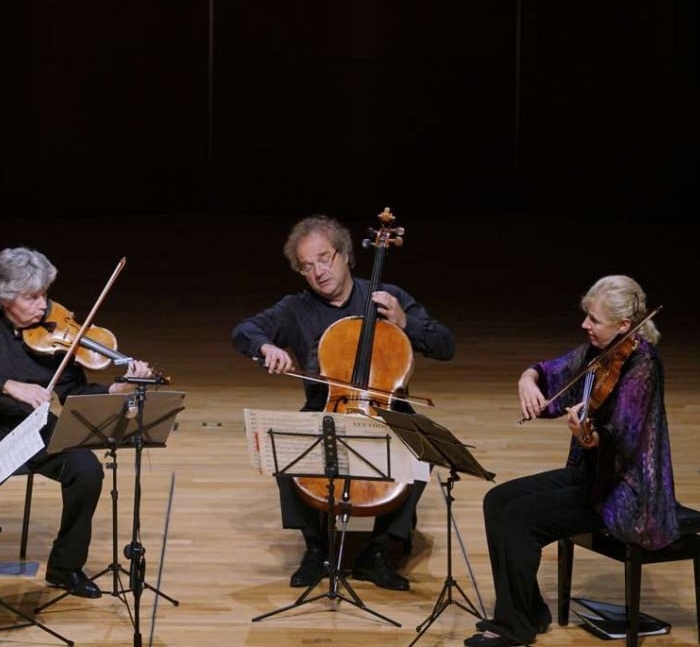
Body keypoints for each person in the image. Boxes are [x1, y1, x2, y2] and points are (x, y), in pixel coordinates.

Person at [231, 214, 455, 591]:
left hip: (384, 409)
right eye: (307, 266)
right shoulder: (296, 308)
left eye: (324, 258)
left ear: (346, 255)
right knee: (284, 444)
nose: (318, 272)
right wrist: (266, 347)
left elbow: (446, 346)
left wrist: (406, 323)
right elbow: (244, 331)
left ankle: (379, 551)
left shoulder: (386, 298)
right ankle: (316, 548)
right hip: (327, 409)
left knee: (422, 447)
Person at [0, 246, 153, 618]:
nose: (43, 305)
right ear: (5, 297)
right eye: (31, 297)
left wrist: (118, 388)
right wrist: (8, 386)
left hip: (31, 426)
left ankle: (64, 566)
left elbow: (73, 393)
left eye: (44, 294)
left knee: (86, 470)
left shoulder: (54, 330)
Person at [465, 275, 679, 647]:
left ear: (623, 325)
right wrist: (528, 379)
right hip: (592, 477)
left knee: (520, 518)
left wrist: (587, 435)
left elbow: (622, 435)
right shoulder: (598, 353)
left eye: (594, 319)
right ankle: (527, 611)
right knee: (497, 500)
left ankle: (514, 629)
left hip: (626, 493)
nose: (585, 325)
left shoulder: (643, 366)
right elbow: (549, 371)